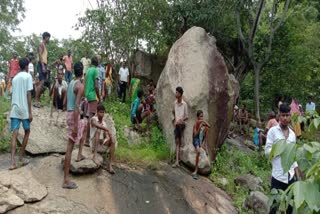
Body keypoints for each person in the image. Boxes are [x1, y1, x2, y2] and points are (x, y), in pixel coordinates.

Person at [265, 103, 302, 214]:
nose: (285, 118)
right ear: (279, 116)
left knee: (290, 207)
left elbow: (293, 157)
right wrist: (279, 149)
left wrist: (297, 174)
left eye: (287, 115)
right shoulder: (272, 131)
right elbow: (267, 152)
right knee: (273, 207)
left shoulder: (292, 135)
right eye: (283, 115)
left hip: (290, 176)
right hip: (277, 176)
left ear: (290, 116)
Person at [63, 62, 87, 189]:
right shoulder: (80, 86)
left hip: (69, 113)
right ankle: (66, 180)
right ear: (82, 72)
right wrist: (75, 126)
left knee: (85, 126)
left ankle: (80, 154)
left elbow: (66, 101)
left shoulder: (71, 83)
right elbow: (77, 106)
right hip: (74, 115)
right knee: (70, 147)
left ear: (73, 71)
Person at [9, 58, 33, 170]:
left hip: (14, 108)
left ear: (19, 66)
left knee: (14, 134)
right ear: (27, 66)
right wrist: (30, 112)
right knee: (27, 131)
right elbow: (28, 94)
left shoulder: (15, 78)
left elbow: (12, 94)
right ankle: (20, 157)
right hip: (24, 109)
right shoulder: (28, 76)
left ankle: (13, 162)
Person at [90, 104, 115, 174]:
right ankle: (94, 156)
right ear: (97, 112)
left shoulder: (104, 123)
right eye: (100, 112)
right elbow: (95, 124)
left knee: (113, 139)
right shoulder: (93, 119)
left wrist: (107, 138)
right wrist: (106, 129)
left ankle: (109, 165)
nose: (102, 114)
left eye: (103, 112)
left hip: (101, 145)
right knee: (98, 130)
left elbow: (106, 135)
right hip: (94, 144)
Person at [85, 56, 101, 146]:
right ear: (97, 63)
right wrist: (99, 97)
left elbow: (86, 83)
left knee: (89, 117)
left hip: (87, 95)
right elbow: (96, 85)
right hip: (92, 95)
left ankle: (88, 139)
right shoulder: (96, 70)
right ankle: (87, 140)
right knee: (91, 118)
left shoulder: (88, 70)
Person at [172, 86, 188, 168]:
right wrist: (175, 119)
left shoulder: (184, 104)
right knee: (177, 142)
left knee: (177, 141)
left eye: (177, 92)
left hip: (182, 124)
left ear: (180, 94)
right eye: (176, 92)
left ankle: (177, 161)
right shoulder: (174, 103)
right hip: (177, 125)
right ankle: (177, 161)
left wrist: (180, 120)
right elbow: (173, 112)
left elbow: (187, 117)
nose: (176, 94)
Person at [34, 32, 50, 108]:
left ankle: (37, 100)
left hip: (44, 64)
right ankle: (36, 101)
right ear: (45, 37)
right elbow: (40, 55)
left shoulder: (45, 46)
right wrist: (43, 66)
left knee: (42, 83)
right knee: (41, 83)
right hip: (41, 64)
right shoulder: (41, 45)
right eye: (48, 37)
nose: (49, 39)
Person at [192, 110, 210, 179]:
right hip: (196, 140)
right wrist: (199, 128)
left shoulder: (202, 122)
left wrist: (204, 122)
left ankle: (204, 145)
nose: (201, 118)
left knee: (206, 128)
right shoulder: (195, 124)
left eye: (202, 116)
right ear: (197, 117)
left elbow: (209, 126)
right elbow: (195, 134)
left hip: (200, 140)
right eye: (200, 116)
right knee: (198, 152)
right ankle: (195, 170)